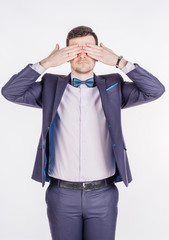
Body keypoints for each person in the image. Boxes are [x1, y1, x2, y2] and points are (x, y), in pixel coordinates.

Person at [1, 25, 165, 240]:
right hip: (61, 195)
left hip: (103, 195)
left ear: (99, 55)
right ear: (65, 55)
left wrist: (119, 61)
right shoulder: (50, 86)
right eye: (75, 50)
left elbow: (155, 90)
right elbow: (10, 92)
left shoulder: (114, 87)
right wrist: (47, 63)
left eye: (89, 48)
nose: (82, 54)